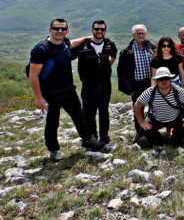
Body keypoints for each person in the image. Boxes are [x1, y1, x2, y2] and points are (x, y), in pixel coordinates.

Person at [28, 18, 105, 161]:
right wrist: (38, 98)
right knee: (52, 123)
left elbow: (72, 43)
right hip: (50, 94)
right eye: (56, 28)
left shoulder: (64, 42)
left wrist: (88, 38)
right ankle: (54, 150)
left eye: (63, 29)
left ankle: (88, 140)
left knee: (79, 116)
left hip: (68, 90)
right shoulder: (41, 49)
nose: (60, 31)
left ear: (67, 31)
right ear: (50, 30)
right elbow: (33, 75)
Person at [71, 19, 118, 145]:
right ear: (92, 30)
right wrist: (84, 38)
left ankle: (104, 136)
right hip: (88, 84)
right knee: (88, 112)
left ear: (105, 31)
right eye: (96, 29)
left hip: (104, 84)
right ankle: (91, 136)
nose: (99, 31)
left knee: (104, 111)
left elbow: (113, 55)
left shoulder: (109, 44)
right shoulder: (83, 45)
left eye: (102, 29)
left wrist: (107, 66)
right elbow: (68, 47)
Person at [134, 67, 184, 147]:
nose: (164, 81)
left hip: (175, 118)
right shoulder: (150, 92)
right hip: (157, 119)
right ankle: (160, 141)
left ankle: (175, 137)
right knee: (146, 130)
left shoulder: (177, 90)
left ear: (170, 79)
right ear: (157, 80)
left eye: (166, 78)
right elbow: (137, 105)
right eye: (160, 79)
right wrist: (142, 122)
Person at [117, 24, 156, 136]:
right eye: (138, 33)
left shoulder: (151, 47)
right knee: (138, 108)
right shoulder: (127, 51)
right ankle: (140, 132)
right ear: (133, 35)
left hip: (150, 83)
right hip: (136, 85)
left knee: (153, 108)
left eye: (142, 33)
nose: (141, 35)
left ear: (145, 34)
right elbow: (122, 72)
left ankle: (152, 131)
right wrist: (129, 89)